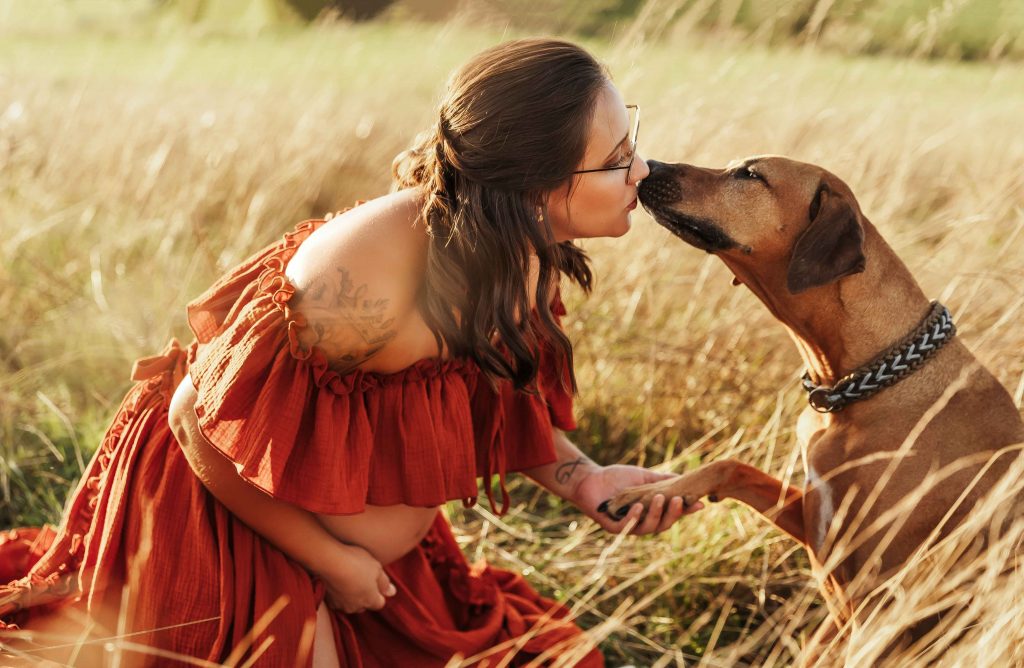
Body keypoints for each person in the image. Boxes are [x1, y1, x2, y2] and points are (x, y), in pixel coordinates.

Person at [0, 38, 694, 666]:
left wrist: (585, 479)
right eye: (615, 159)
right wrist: (331, 562)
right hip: (224, 517)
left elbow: (498, 396)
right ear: (534, 183)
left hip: (354, 557)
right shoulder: (365, 277)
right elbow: (193, 422)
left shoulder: (525, 254)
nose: (643, 169)